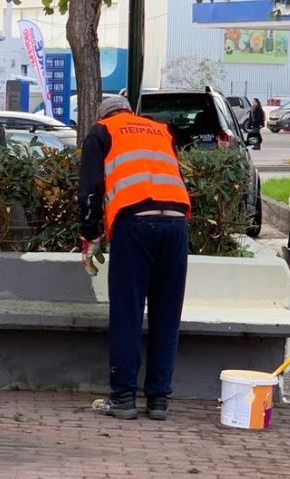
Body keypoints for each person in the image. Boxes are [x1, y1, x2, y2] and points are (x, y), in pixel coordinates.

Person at [78, 96, 191, 421]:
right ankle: (158, 401)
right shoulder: (159, 131)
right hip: (176, 223)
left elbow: (90, 190)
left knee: (128, 312)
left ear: (104, 115)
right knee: (166, 315)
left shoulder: (102, 132)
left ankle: (123, 398)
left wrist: (89, 232)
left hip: (135, 223)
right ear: (129, 111)